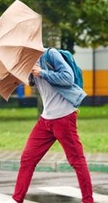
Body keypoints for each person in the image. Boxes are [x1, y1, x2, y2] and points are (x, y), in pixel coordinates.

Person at [12, 48, 94, 203]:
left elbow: (68, 78)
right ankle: (16, 200)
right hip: (46, 119)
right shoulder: (28, 61)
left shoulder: (51, 54)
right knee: (27, 159)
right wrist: (26, 77)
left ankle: (88, 200)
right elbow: (37, 82)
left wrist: (42, 72)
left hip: (64, 118)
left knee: (76, 160)